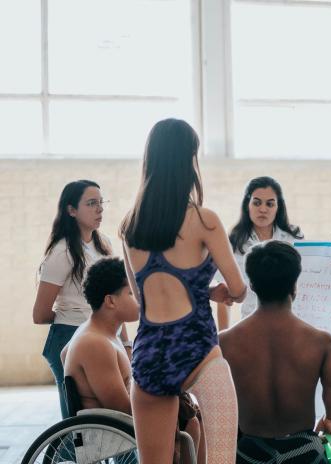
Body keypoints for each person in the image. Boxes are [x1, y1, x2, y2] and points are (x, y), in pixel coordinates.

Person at [120, 118, 247, 464]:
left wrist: (203, 292)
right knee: (221, 459)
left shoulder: (129, 226)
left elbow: (142, 296)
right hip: (198, 351)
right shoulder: (204, 220)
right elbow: (238, 288)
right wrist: (221, 292)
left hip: (149, 356)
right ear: (189, 160)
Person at [61, 257, 202, 464]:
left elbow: (65, 353)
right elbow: (122, 407)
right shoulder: (95, 343)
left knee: (188, 405)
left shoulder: (99, 332)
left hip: (114, 421)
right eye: (131, 293)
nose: (140, 298)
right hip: (108, 428)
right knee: (191, 420)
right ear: (110, 301)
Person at [219, 240, 331, 464]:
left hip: (250, 452)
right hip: (304, 450)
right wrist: (330, 417)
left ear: (253, 285)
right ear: (294, 285)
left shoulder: (225, 342)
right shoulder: (322, 342)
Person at [32, 179, 130, 419]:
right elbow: (40, 314)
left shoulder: (102, 245)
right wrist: (79, 316)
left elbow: (116, 300)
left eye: (101, 202)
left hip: (109, 336)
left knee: (119, 419)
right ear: (71, 210)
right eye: (91, 203)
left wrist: (126, 343)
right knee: (83, 427)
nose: (100, 209)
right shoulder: (62, 252)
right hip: (70, 335)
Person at [216, 176, 304, 329]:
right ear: (247, 205)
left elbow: (314, 272)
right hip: (251, 326)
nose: (263, 209)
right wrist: (223, 339)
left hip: (291, 324)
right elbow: (225, 297)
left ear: (278, 207)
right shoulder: (233, 243)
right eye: (257, 203)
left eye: (270, 204)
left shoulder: (294, 237)